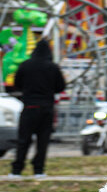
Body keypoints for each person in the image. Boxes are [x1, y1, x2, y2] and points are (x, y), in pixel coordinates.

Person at [7, 39, 65, 179]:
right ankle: (38, 170)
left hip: (29, 106)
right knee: (42, 141)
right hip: (47, 108)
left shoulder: (25, 66)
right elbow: (61, 87)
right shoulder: (53, 67)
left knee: (23, 140)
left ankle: (17, 170)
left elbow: (17, 84)